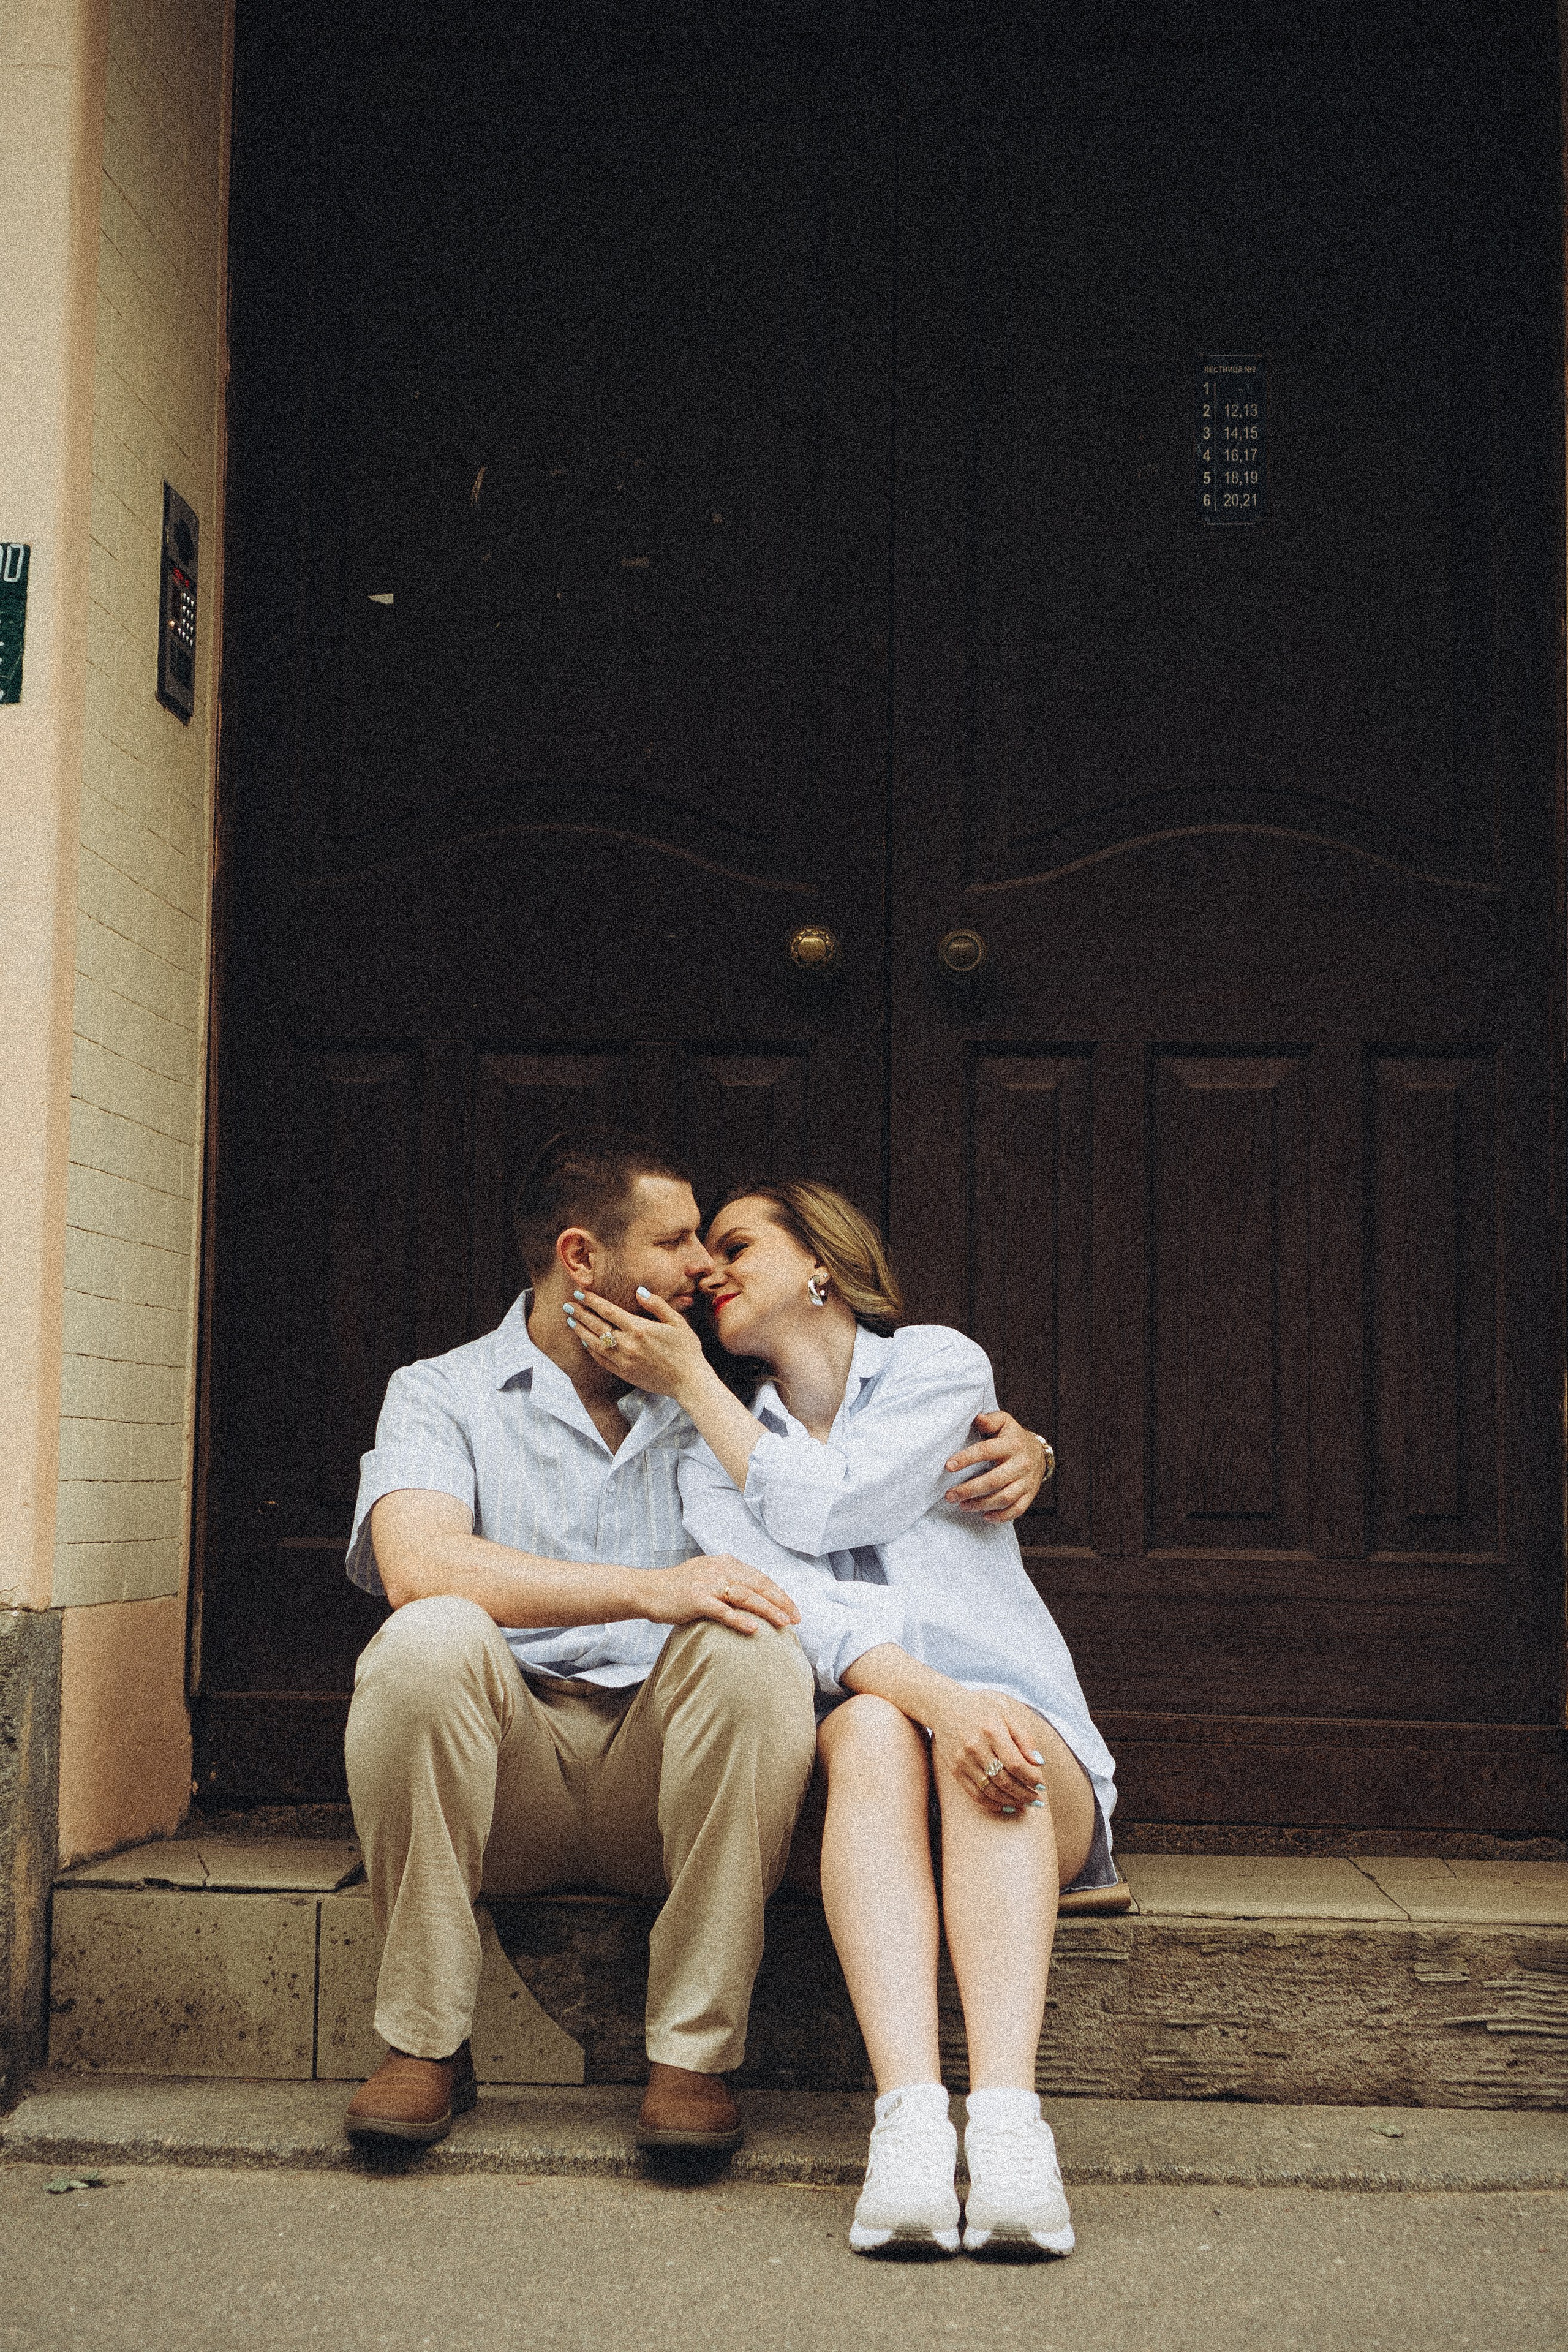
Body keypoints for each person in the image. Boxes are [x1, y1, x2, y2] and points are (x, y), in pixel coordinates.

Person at [339, 1132, 1052, 2155]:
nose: (700, 1268)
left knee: (757, 1643)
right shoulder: (438, 1392)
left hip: (663, 1783)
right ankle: (423, 2044)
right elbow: (417, 1564)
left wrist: (1032, 1450)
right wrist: (652, 1590)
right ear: (582, 1258)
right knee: (428, 1633)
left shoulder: (719, 1416)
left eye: (713, 1244)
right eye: (676, 1242)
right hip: (503, 1776)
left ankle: (692, 2057)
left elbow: (836, 1517)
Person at [562, 1179, 1115, 2256]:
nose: (708, 1267)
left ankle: (1008, 2127)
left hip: (1028, 1767)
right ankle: (908, 2126)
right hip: (874, 1780)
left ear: (822, 1260)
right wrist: (932, 1704)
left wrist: (962, 1709)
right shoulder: (702, 1453)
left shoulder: (941, 1369)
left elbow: (837, 1501)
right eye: (700, 1251)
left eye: (736, 1244)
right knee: (865, 1725)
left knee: (985, 1726)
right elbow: (797, 1610)